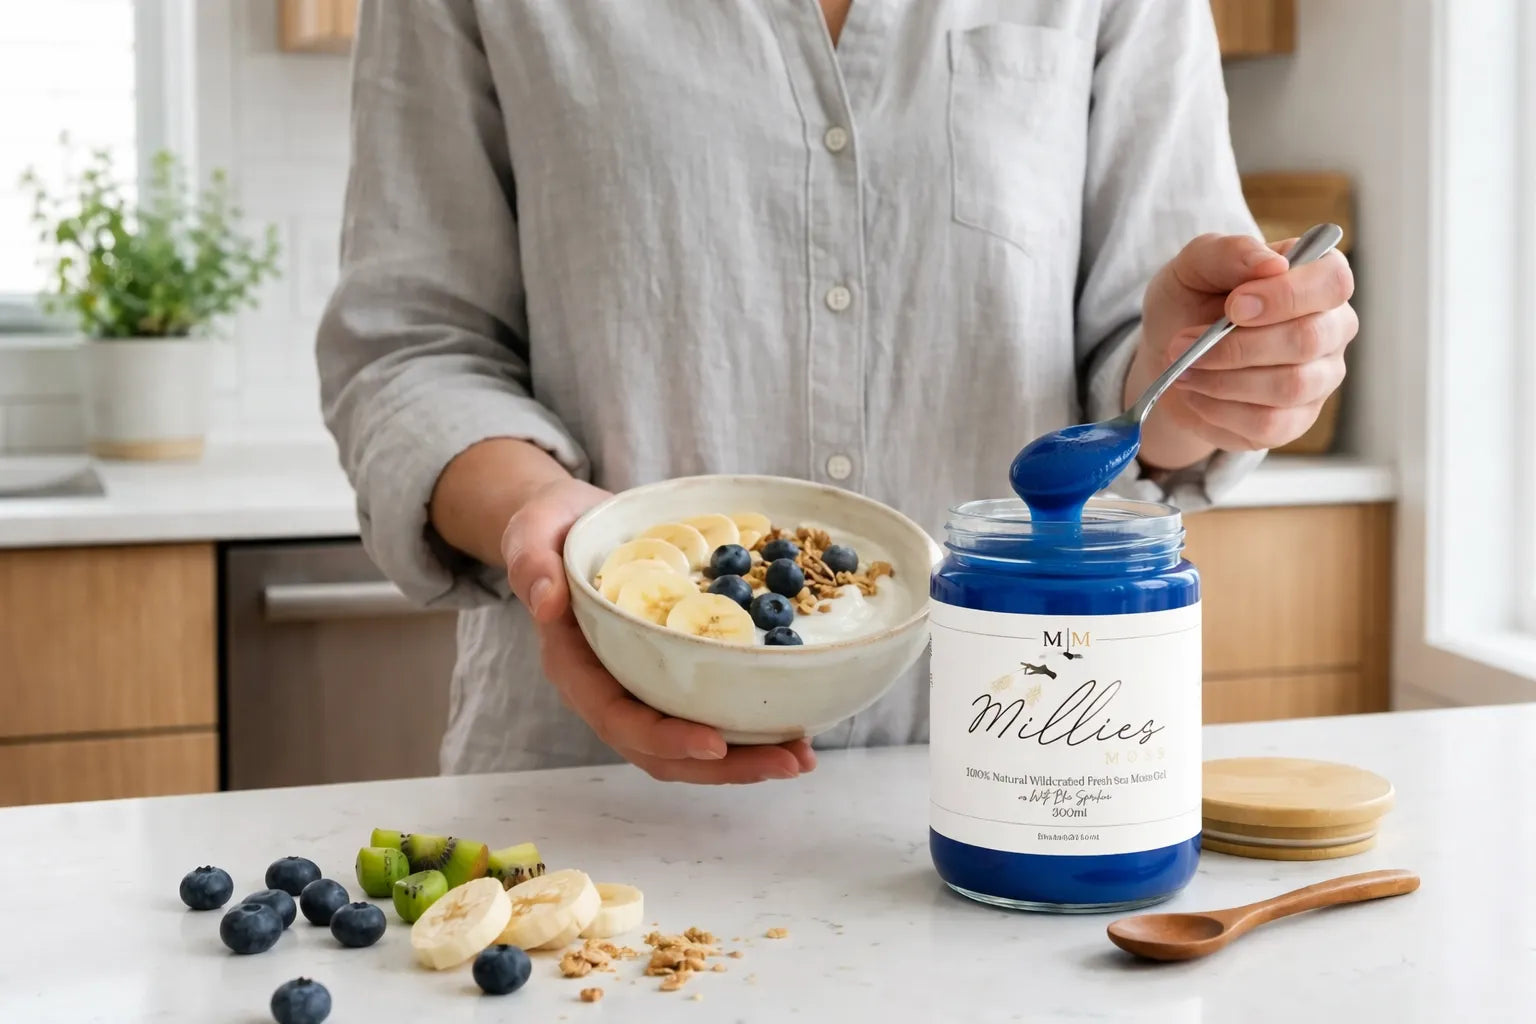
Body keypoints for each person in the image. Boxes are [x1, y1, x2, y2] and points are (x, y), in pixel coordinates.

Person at [316, 1, 1357, 785]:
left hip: (1018, 763)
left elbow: (1144, 378)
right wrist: (538, 513)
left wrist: (1201, 383)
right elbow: (411, 348)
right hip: (593, 792)